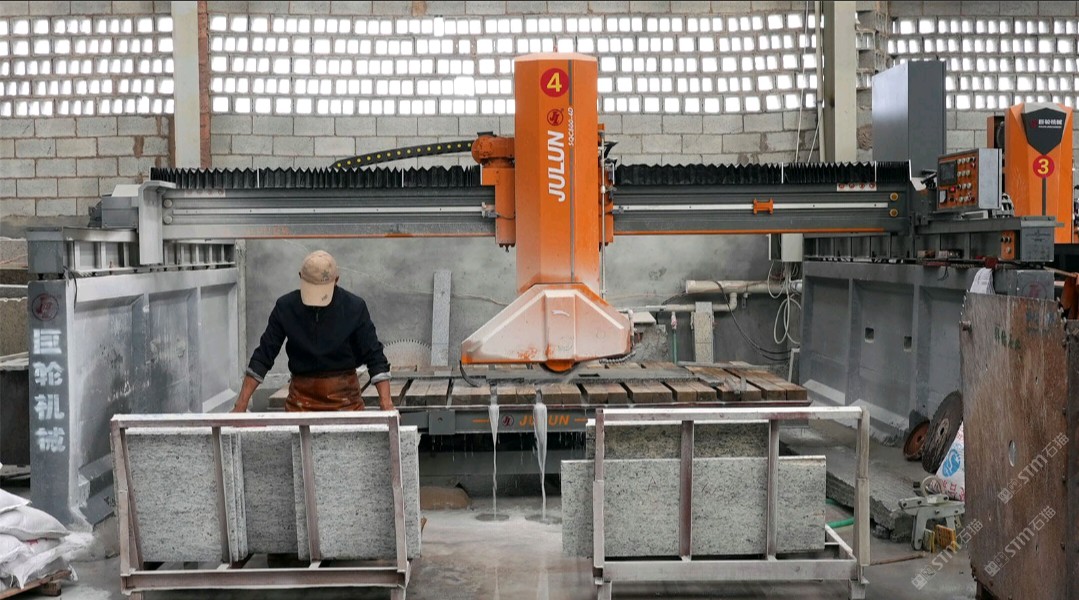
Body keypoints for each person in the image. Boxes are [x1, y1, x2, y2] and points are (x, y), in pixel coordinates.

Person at [230, 250, 394, 413]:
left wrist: (386, 405)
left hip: (346, 401)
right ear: (300, 277)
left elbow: (375, 356)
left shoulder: (354, 307)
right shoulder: (286, 307)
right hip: (300, 402)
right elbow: (264, 355)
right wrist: (241, 405)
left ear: (336, 280)